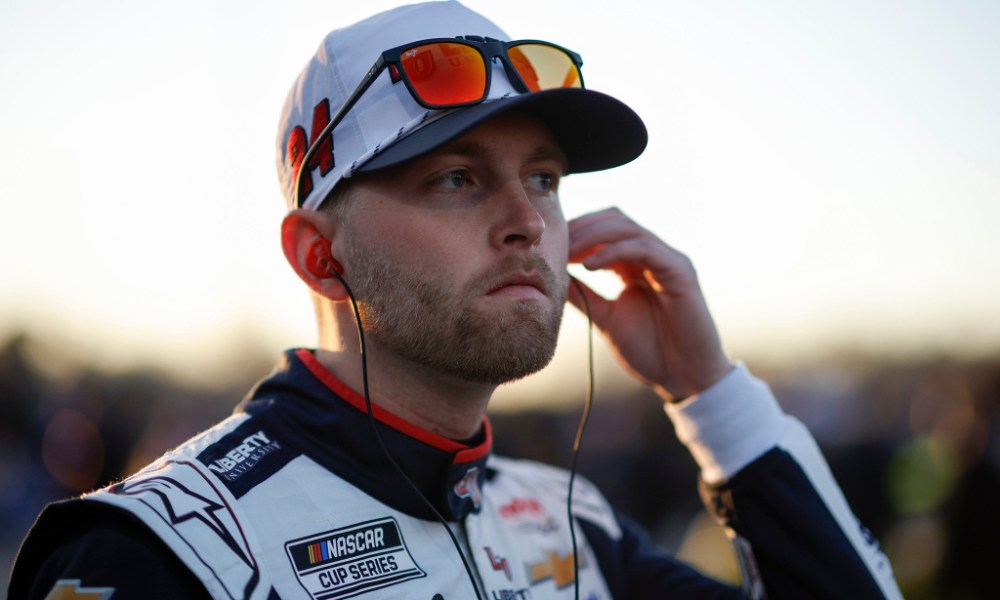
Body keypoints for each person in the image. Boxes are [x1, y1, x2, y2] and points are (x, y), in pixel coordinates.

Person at [9, 2, 904, 599]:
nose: (528, 221)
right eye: (456, 179)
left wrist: (713, 400)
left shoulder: (572, 526)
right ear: (322, 257)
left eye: (544, 178)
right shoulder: (157, 552)